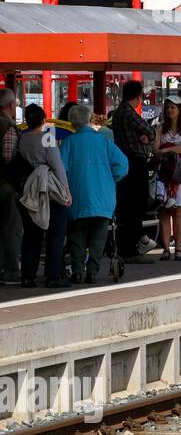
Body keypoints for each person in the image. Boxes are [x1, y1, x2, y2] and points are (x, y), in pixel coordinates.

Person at [59, 104, 127, 284]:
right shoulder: (103, 141)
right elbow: (122, 165)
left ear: (71, 123)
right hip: (103, 197)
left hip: (77, 197)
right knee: (98, 237)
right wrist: (110, 179)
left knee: (77, 236)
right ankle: (93, 272)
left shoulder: (68, 143)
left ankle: (77, 270)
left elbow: (61, 170)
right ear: (89, 119)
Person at [17, 104, 72, 289]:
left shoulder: (22, 139)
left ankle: (28, 275)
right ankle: (53, 275)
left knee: (32, 233)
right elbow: (57, 166)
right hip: (48, 189)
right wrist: (66, 191)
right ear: (43, 119)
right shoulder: (47, 137)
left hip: (29, 187)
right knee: (56, 233)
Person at [110, 80, 157, 262]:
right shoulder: (129, 113)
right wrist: (145, 137)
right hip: (135, 162)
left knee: (126, 206)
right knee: (137, 204)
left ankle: (129, 246)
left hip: (122, 163)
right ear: (138, 97)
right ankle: (133, 247)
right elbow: (149, 131)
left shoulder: (117, 114)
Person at [153, 97, 181, 261]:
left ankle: (178, 248)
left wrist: (166, 149)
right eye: (167, 107)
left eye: (173, 107)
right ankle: (165, 249)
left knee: (178, 211)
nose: (169, 110)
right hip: (162, 173)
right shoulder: (160, 127)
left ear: (179, 110)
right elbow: (154, 149)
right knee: (163, 211)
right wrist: (168, 151)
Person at [0, 87, 24, 285]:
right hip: (5, 185)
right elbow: (8, 157)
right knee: (10, 227)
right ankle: (10, 271)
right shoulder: (7, 127)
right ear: (9, 106)